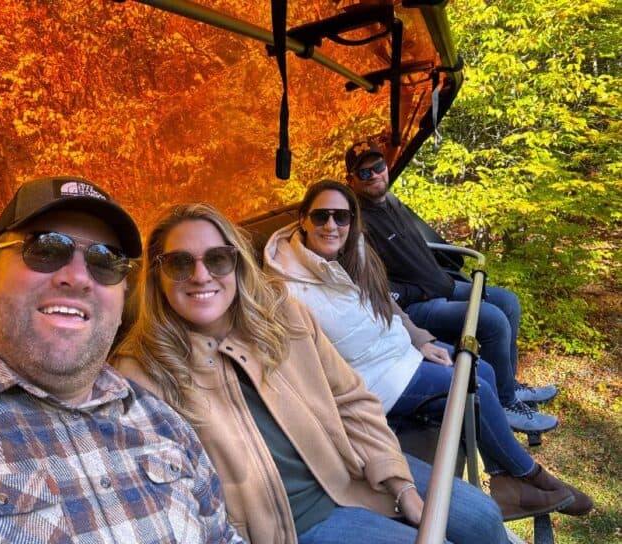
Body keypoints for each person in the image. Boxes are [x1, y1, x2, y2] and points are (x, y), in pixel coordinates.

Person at [113, 202, 511, 544]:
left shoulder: (284, 315)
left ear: (236, 263)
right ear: (157, 276)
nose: (201, 276)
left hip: (353, 471)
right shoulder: (141, 372)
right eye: (180, 263)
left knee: (483, 518)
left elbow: (351, 400)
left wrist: (398, 481)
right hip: (295, 524)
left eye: (217, 259)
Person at [0, 177, 243, 543]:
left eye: (105, 261)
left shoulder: (162, 420)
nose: (78, 278)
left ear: (124, 295)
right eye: (45, 249)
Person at [262, 179, 593, 521]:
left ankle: (506, 480)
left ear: (352, 222)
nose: (331, 226)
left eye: (341, 217)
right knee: (471, 385)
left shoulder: (353, 254)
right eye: (321, 216)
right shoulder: (288, 288)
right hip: (373, 380)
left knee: (485, 370)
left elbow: (386, 306)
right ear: (303, 219)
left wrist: (419, 338)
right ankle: (531, 476)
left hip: (397, 353)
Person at [345, 139, 559, 433]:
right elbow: (373, 284)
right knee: (492, 320)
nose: (375, 175)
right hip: (415, 306)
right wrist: (418, 292)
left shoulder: (392, 202)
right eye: (364, 173)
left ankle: (509, 386)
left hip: (443, 286)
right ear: (352, 180)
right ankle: (507, 404)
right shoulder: (357, 225)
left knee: (508, 302)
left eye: (378, 167)